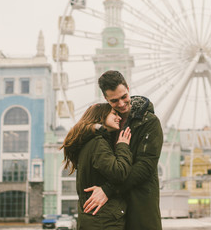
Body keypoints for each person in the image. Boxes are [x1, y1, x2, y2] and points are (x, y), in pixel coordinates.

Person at [83, 70, 164, 230]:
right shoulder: (106, 124)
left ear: (128, 88)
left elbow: (145, 167)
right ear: (105, 99)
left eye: (124, 97)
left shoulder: (150, 122)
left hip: (140, 204)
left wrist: (108, 189)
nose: (121, 104)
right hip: (111, 211)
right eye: (114, 101)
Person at [60, 103, 132, 229]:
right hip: (104, 219)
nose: (119, 118)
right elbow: (119, 173)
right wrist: (123, 146)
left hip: (93, 218)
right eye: (114, 114)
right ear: (101, 116)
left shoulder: (86, 143)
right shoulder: (98, 142)